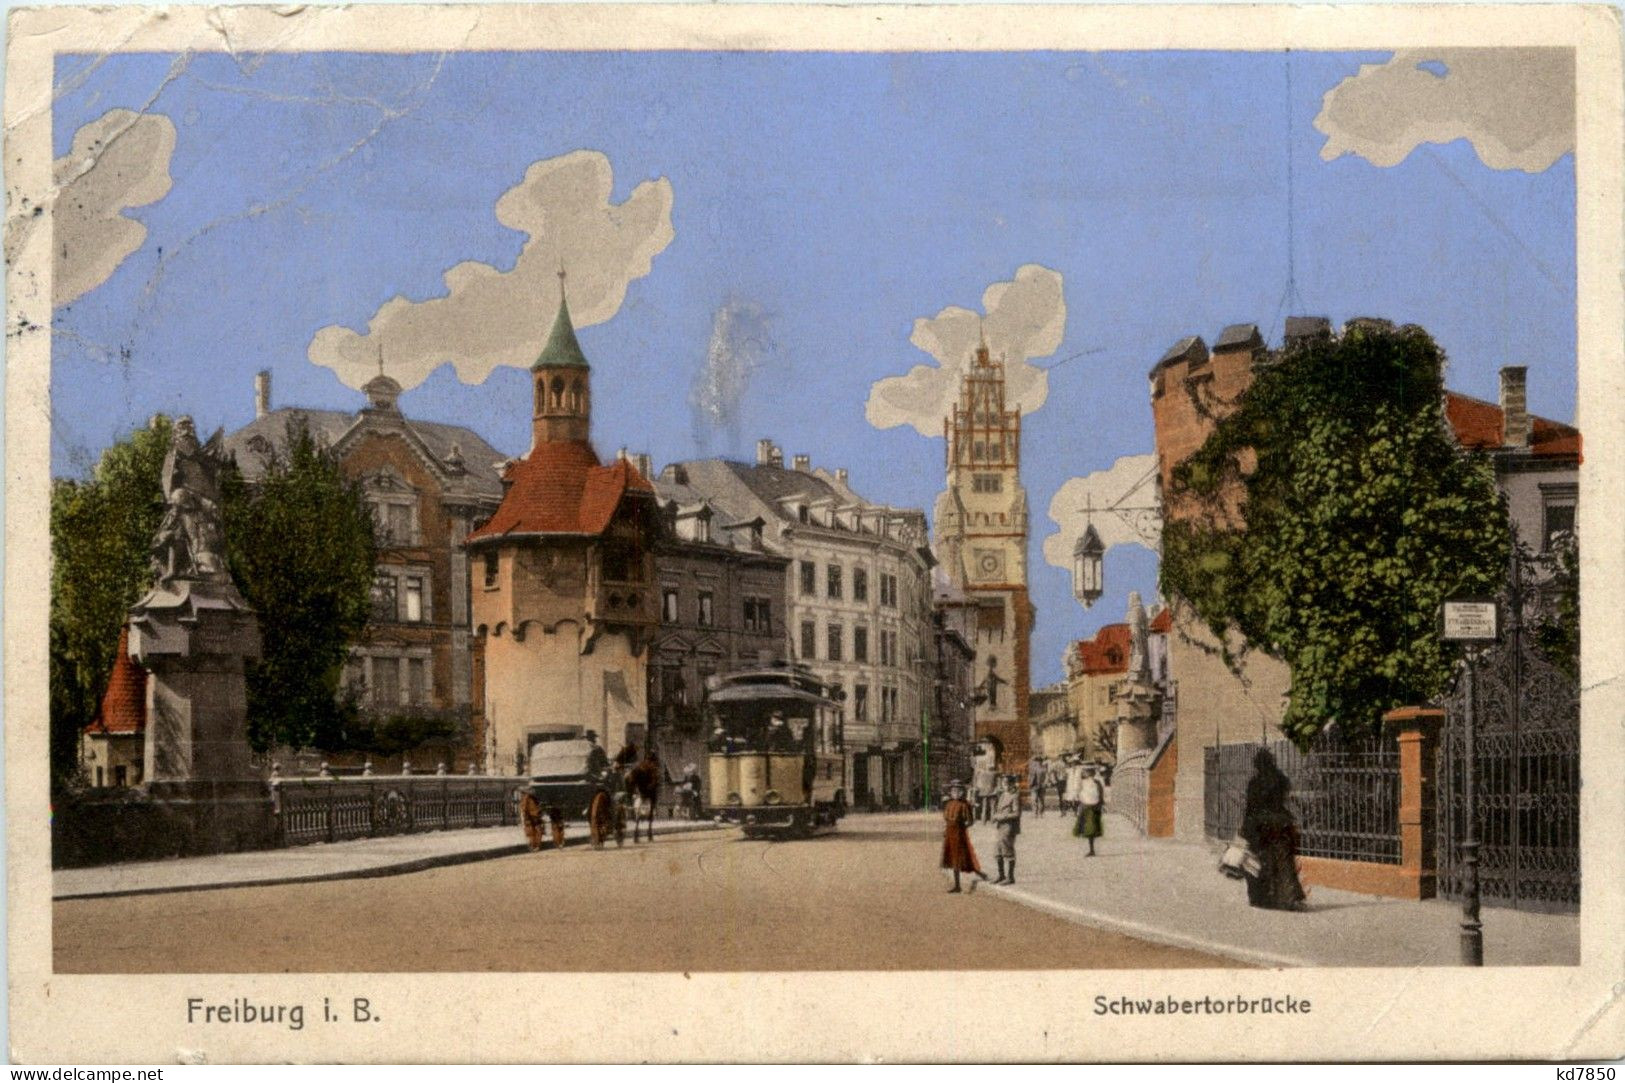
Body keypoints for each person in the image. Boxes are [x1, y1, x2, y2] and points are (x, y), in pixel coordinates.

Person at [1239, 748, 1307, 910]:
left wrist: (1245, 828)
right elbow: (1283, 799)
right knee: (1285, 862)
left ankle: (1260, 897)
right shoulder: (1281, 779)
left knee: (1259, 861)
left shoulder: (1254, 783)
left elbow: (1251, 807)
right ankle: (1290, 897)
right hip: (1281, 823)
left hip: (1261, 826)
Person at [940, 781, 986, 893]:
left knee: (959, 858)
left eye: (958, 791)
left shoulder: (964, 805)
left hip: (959, 834)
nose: (956, 793)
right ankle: (977, 874)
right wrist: (946, 830)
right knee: (954, 858)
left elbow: (970, 821)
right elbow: (946, 818)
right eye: (953, 791)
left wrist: (961, 828)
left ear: (962, 792)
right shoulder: (949, 804)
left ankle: (957, 886)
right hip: (950, 834)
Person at [992, 774, 1022, 884]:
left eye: (1006, 783)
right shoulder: (1003, 795)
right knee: (997, 851)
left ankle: (1010, 877)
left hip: (1009, 827)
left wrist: (1002, 816)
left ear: (1012, 784)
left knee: (1008, 851)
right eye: (1003, 783)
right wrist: (995, 816)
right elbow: (999, 809)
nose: (1004, 786)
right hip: (1000, 826)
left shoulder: (1015, 796)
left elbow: (1017, 813)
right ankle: (1001, 875)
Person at [1074, 764, 1105, 856]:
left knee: (1091, 828)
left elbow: (1100, 794)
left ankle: (1092, 849)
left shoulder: (1097, 782)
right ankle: (1091, 849)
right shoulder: (1083, 782)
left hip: (1093, 806)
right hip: (1086, 806)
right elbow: (1077, 792)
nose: (1086, 773)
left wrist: (1100, 803)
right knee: (1089, 828)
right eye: (1085, 772)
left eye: (1087, 772)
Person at [519, 787, 547, 852]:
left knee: (535, 831)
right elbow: (524, 808)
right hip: (532, 816)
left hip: (533, 816)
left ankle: (534, 845)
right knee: (534, 831)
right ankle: (535, 845)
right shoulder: (529, 798)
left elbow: (524, 808)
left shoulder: (529, 798)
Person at [973, 753, 997, 823]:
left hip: (983, 792)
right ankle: (992, 820)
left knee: (984, 806)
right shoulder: (994, 773)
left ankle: (983, 820)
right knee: (992, 806)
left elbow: (976, 782)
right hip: (992, 792)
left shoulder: (980, 773)